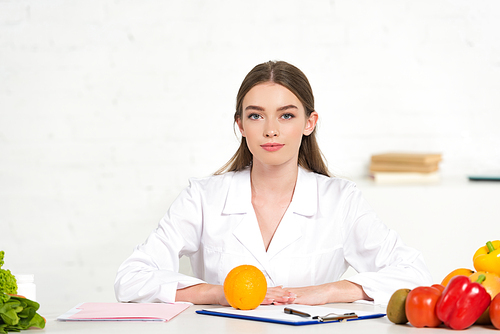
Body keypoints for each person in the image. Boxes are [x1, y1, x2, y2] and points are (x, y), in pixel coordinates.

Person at [114, 60, 433, 306]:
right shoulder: (203, 197)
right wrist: (219, 293)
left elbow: (414, 275)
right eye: (255, 116)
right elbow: (131, 279)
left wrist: (325, 292)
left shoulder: (340, 200)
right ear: (239, 124)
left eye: (286, 115)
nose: (270, 130)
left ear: (309, 123)